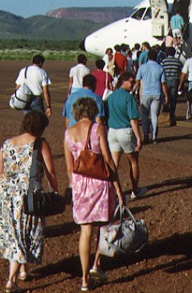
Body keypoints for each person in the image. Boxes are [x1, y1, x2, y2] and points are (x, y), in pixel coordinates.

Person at [0, 111, 59, 292]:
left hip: (3, 195)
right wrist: (55, 192)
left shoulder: (7, 144)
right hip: (26, 197)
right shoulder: (40, 143)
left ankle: (23, 271)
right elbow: (51, 171)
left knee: (14, 233)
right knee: (22, 235)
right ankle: (11, 281)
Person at [64, 97, 125, 292]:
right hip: (99, 183)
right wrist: (117, 187)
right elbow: (108, 160)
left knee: (85, 230)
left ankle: (84, 279)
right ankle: (96, 264)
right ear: (92, 111)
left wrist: (74, 187)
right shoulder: (98, 129)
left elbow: (69, 168)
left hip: (80, 184)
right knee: (102, 225)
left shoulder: (68, 133)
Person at [106, 72, 147, 201]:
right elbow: (133, 119)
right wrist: (138, 137)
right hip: (125, 131)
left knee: (114, 164)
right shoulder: (129, 97)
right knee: (133, 162)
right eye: (131, 82)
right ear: (124, 81)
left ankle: (112, 190)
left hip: (112, 131)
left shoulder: (111, 96)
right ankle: (135, 190)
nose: (133, 84)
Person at [134, 49, 168, 143]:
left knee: (144, 115)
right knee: (154, 115)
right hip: (156, 93)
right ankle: (154, 136)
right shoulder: (160, 68)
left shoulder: (142, 67)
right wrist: (166, 95)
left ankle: (146, 134)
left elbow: (137, 81)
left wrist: (132, 90)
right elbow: (163, 83)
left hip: (145, 93)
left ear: (148, 57)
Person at [161, 47, 182, 126]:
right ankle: (172, 114)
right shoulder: (178, 61)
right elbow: (180, 71)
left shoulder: (164, 61)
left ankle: (165, 112)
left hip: (166, 80)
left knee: (166, 97)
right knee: (173, 98)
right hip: (174, 80)